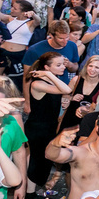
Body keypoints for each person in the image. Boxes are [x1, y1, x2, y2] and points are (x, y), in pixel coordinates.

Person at [23, 51, 72, 189]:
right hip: (38, 128)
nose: (63, 67)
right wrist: (49, 75)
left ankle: (35, 190)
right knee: (35, 161)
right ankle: (30, 194)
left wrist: (65, 101)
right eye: (58, 64)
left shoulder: (51, 80)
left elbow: (62, 94)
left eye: (63, 63)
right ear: (46, 67)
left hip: (48, 127)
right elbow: (67, 89)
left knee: (44, 161)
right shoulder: (37, 84)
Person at [57, 55, 99, 133]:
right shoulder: (76, 80)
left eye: (97, 67)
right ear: (86, 66)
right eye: (90, 66)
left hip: (87, 124)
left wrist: (90, 108)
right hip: (69, 120)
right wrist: (71, 98)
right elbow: (64, 96)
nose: (92, 69)